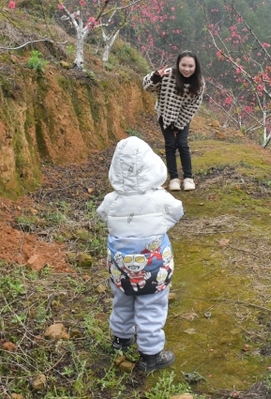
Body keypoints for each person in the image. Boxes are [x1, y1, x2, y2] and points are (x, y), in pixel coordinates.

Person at [97, 136, 183, 372]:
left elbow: (102, 214)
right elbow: (177, 211)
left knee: (123, 300)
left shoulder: (111, 200)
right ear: (152, 166)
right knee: (151, 307)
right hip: (154, 269)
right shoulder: (160, 198)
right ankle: (150, 355)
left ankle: (121, 339)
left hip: (119, 268)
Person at [143, 51, 205, 191]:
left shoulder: (199, 82)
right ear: (178, 64)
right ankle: (174, 179)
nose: (187, 69)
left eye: (190, 66)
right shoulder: (168, 74)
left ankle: (188, 177)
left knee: (182, 144)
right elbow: (147, 88)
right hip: (164, 114)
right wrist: (156, 77)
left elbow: (193, 106)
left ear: (196, 67)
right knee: (170, 145)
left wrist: (178, 124)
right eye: (183, 65)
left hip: (184, 117)